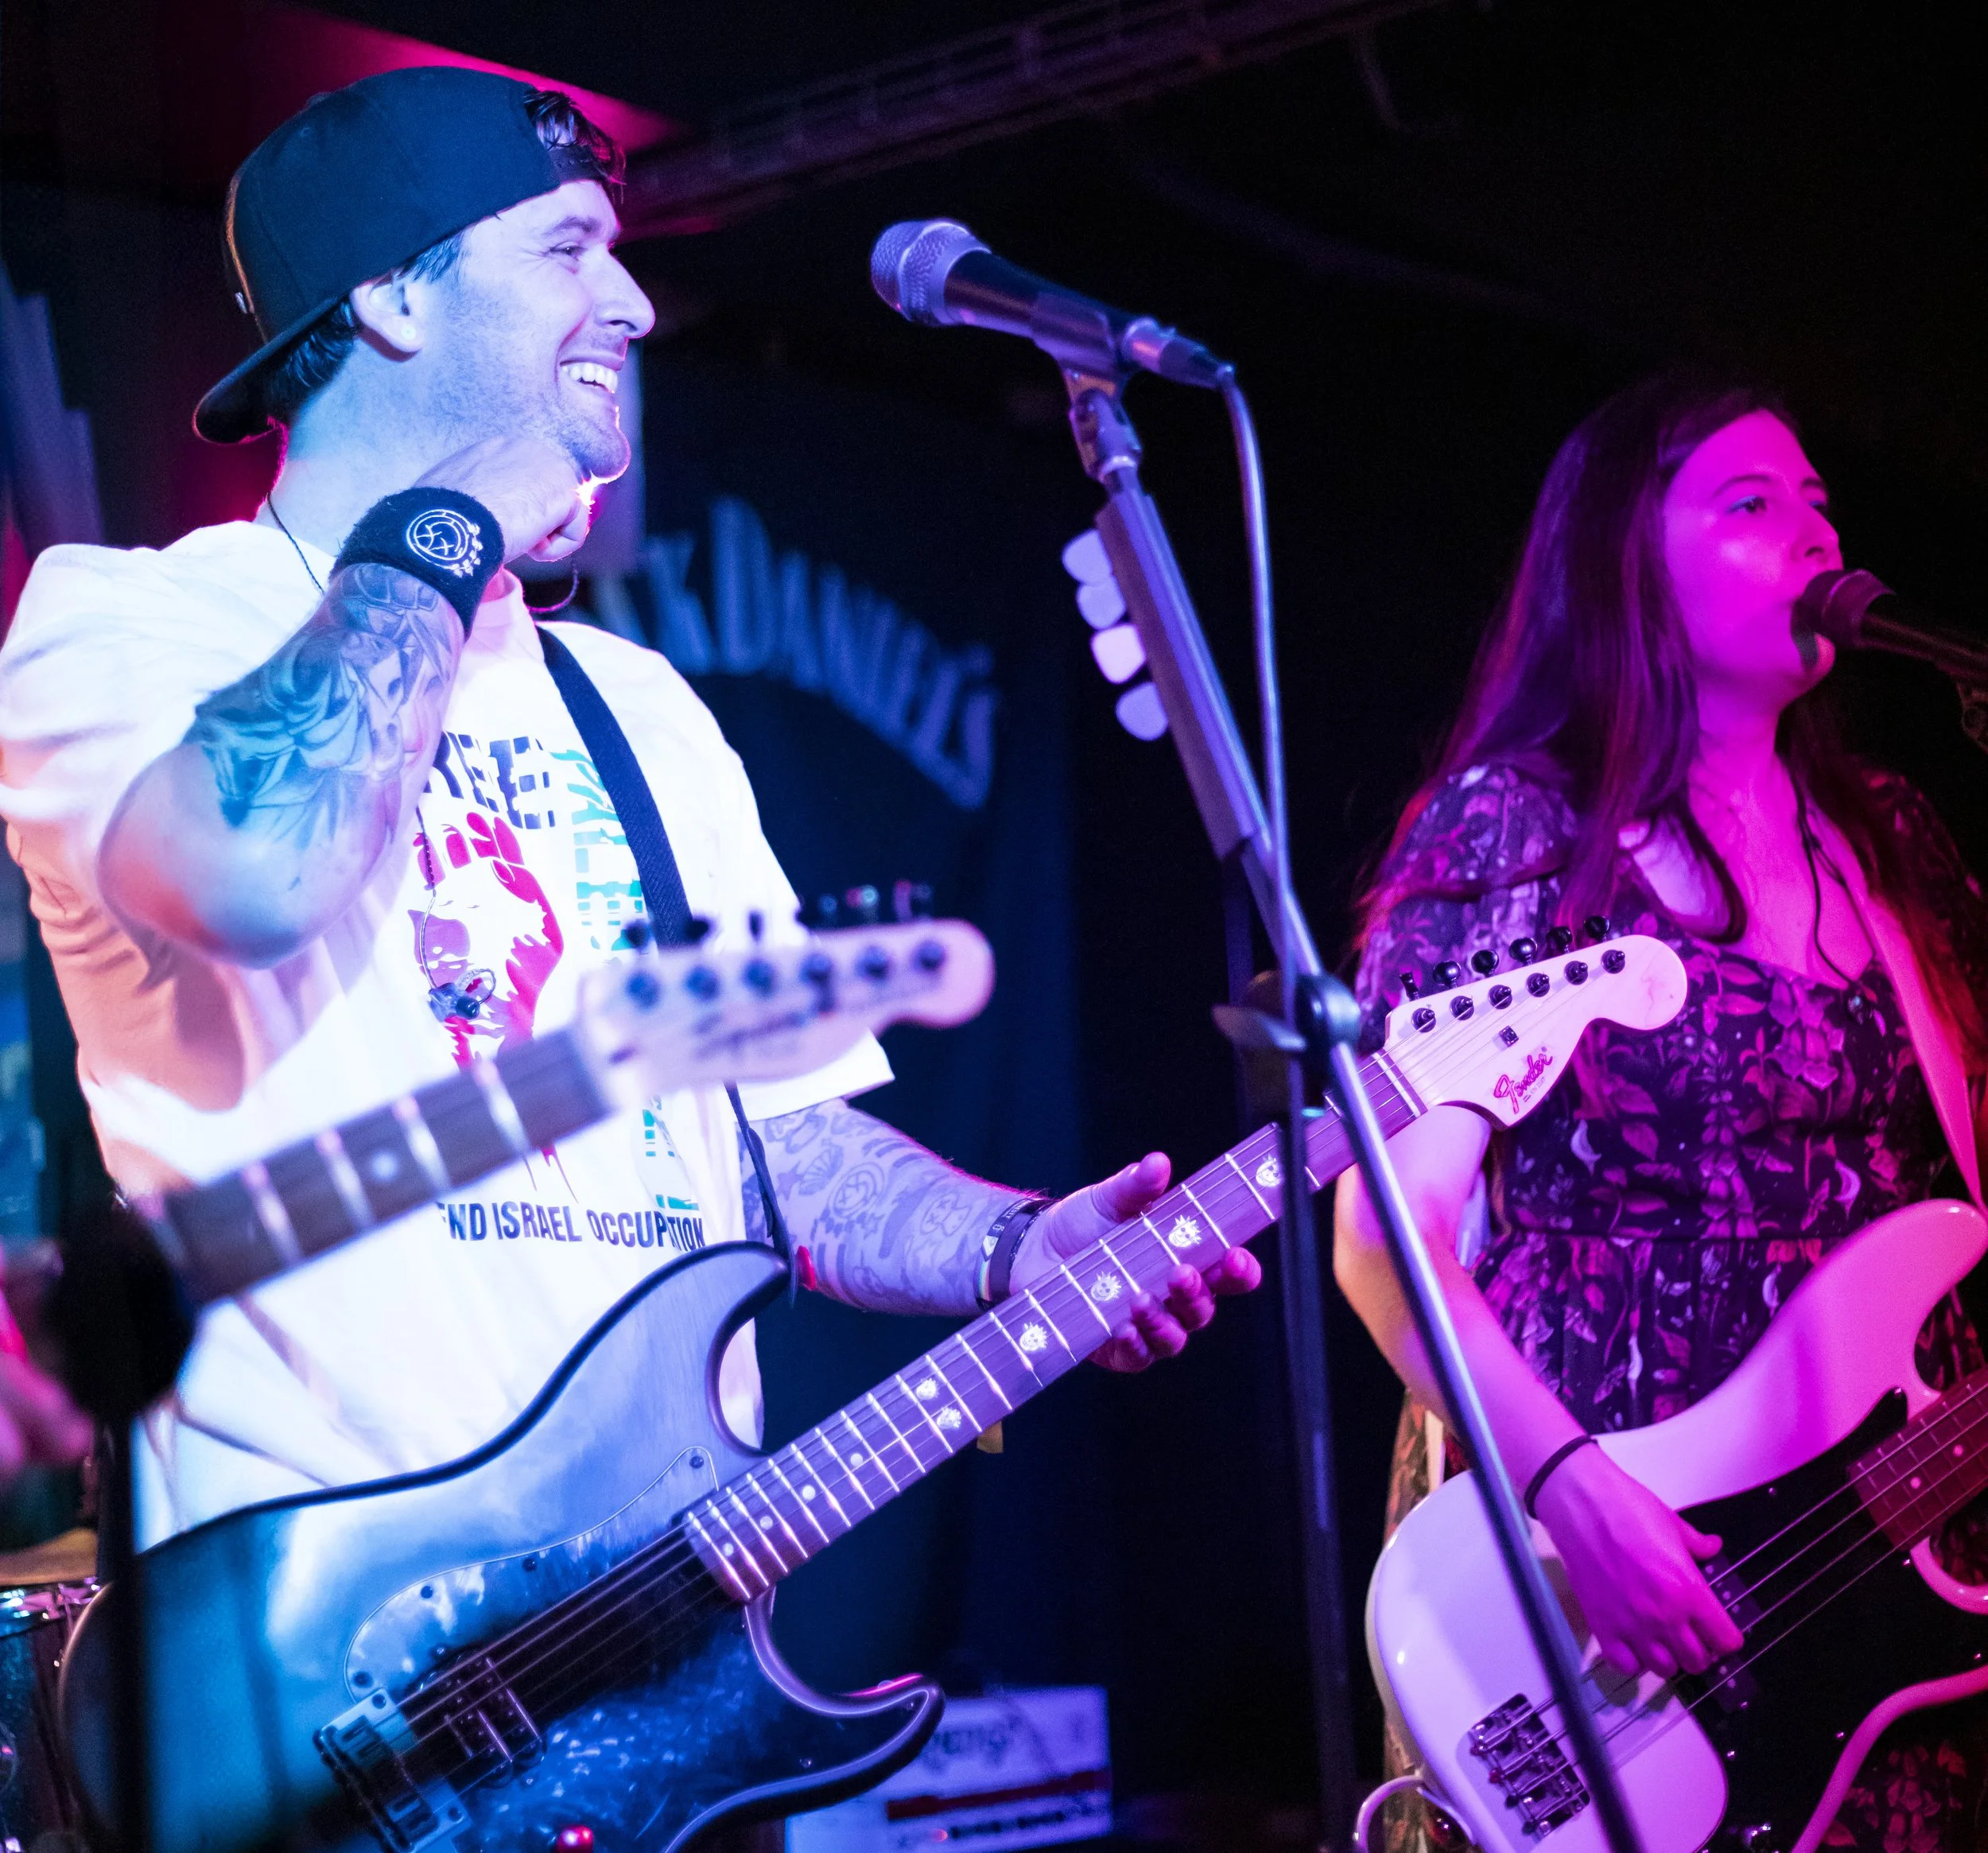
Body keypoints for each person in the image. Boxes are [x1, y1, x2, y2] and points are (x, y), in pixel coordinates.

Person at [0, 68, 1258, 1556]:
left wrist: (1012, 1246)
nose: (635, 305)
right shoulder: (132, 622)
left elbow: (774, 1137)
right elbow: (256, 871)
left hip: (671, 1603)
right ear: (392, 296)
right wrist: (451, 518)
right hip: (326, 1623)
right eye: (567, 249)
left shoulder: (638, 705)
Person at [1335, 372, 1988, 1851]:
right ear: (1623, 562)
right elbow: (1385, 1235)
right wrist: (1571, 1491)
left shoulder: (1890, 837)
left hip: (1903, 1569)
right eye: (1751, 504)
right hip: (1611, 1580)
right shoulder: (1521, 827)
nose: (1814, 534)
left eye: (1820, 502)